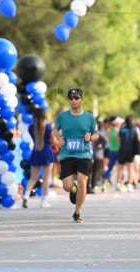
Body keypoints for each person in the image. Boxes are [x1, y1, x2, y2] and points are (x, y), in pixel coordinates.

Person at [53, 88, 98, 223]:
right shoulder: (63, 116)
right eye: (71, 98)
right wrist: (58, 139)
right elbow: (55, 129)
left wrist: (90, 138)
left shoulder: (89, 117)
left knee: (83, 181)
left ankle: (77, 212)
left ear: (82, 100)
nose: (73, 101)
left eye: (76, 98)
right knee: (67, 186)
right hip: (67, 154)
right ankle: (74, 189)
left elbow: (96, 135)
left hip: (84, 154)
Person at [22, 108, 57, 208]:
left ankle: (26, 196)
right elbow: (53, 140)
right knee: (46, 178)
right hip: (47, 152)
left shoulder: (31, 127)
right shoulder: (48, 127)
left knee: (33, 178)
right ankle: (43, 201)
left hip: (36, 151)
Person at [117, 115, 140, 192]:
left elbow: (119, 141)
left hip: (122, 150)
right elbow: (139, 140)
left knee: (120, 167)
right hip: (131, 150)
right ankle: (129, 185)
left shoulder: (121, 130)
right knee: (130, 167)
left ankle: (119, 183)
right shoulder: (135, 129)